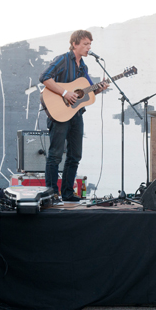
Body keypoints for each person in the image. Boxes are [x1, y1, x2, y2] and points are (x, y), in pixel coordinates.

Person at [39, 30, 109, 201]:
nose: (89, 47)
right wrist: (64, 93)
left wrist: (99, 89)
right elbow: (44, 77)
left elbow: (86, 94)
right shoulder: (63, 59)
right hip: (59, 113)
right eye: (85, 44)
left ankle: (68, 193)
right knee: (55, 154)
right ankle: (51, 193)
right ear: (75, 44)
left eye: (90, 44)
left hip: (76, 114)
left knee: (75, 155)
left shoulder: (83, 66)